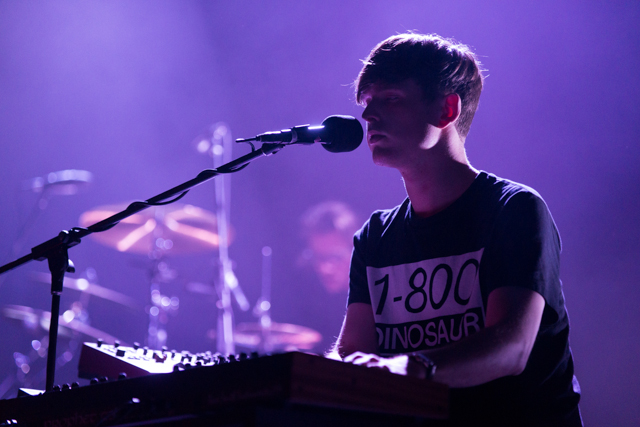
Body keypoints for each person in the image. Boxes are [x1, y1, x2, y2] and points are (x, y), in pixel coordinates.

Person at [333, 33, 582, 426]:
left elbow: (511, 349)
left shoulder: (513, 209)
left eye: (391, 99)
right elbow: (354, 355)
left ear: (447, 109)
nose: (369, 116)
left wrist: (412, 367)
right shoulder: (375, 236)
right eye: (367, 102)